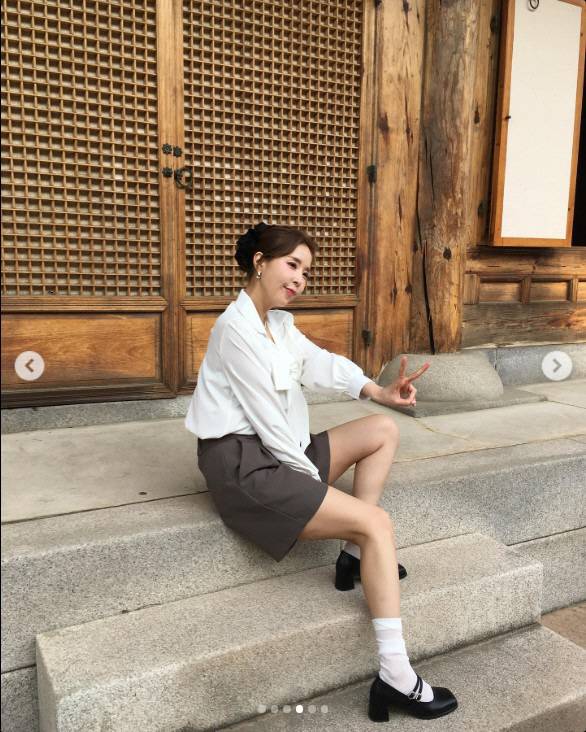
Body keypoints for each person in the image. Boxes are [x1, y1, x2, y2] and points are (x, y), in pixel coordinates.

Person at [185, 222, 458, 721]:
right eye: (292, 265)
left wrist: (377, 392)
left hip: (283, 450)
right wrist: (311, 487)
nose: (299, 279)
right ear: (259, 262)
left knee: (383, 430)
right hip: (245, 466)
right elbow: (267, 421)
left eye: (306, 271)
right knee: (377, 523)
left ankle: (353, 557)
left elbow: (320, 363)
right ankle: (396, 676)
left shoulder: (279, 325)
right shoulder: (235, 329)